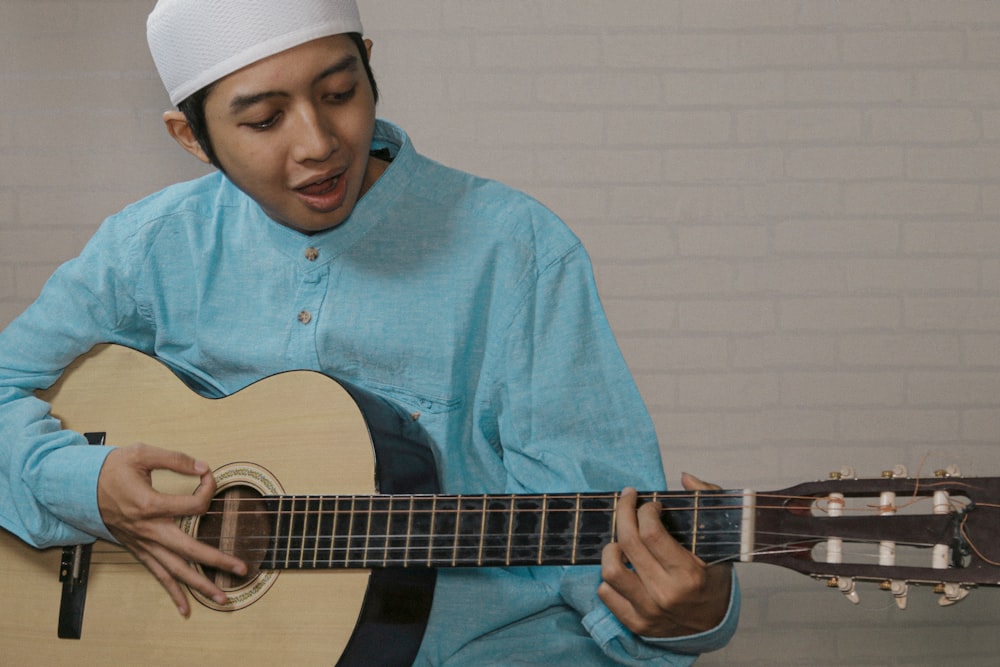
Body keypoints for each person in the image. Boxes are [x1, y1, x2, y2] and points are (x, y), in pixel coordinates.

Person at [0, 1, 738, 664]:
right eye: (263, 120)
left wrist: (692, 612)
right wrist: (86, 485)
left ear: (370, 68)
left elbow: (611, 545)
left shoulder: (517, 249)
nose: (319, 142)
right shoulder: (147, 247)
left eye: (339, 93)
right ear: (191, 137)